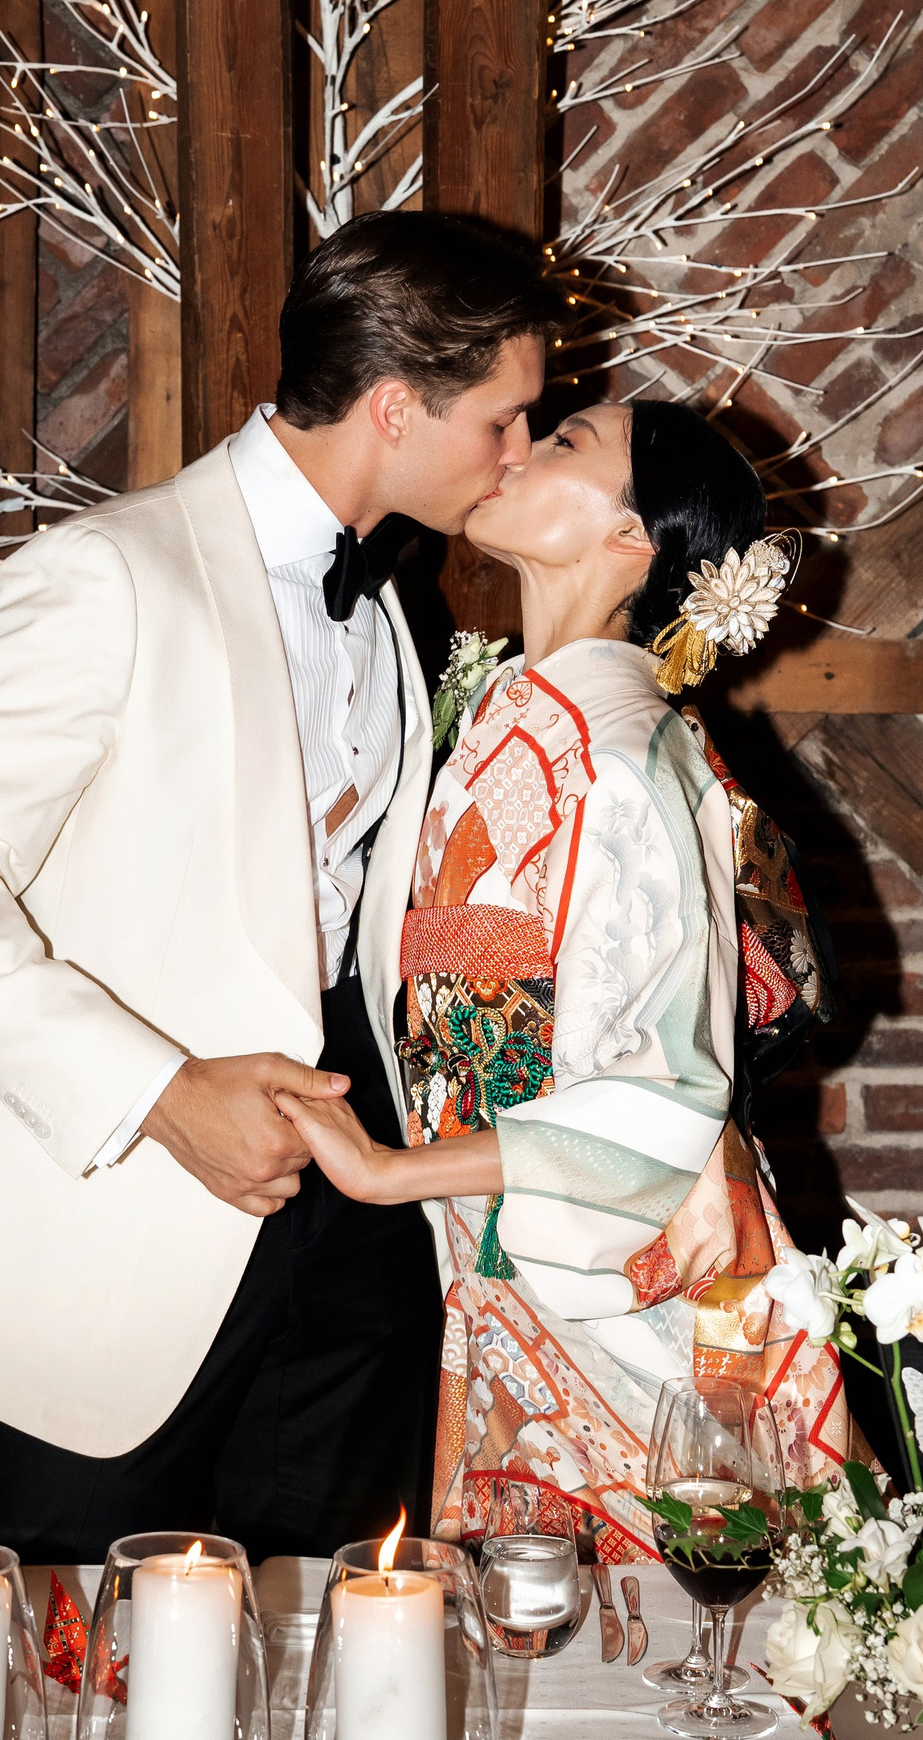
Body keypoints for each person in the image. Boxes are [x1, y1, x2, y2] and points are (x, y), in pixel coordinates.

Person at [0, 213, 551, 1562]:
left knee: (342, 1631)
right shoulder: (106, 575)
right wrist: (165, 1097)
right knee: (74, 1654)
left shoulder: (390, 606)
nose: (520, 452)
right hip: (118, 1235)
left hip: (358, 1230)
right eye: (504, 419)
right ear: (396, 407)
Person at [278, 397, 858, 1560]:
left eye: (564, 442)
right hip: (508, 1255)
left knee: (687, 1614)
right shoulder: (512, 711)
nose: (517, 451)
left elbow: (659, 1099)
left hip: (638, 1284)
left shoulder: (625, 757)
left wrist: (390, 1174)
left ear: (632, 536)